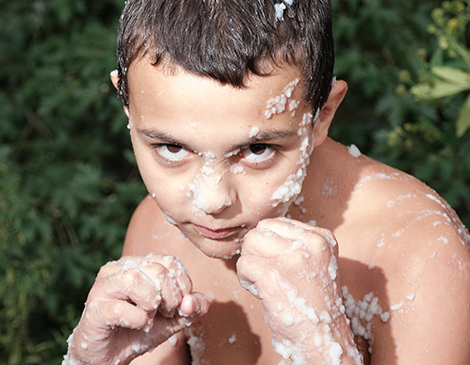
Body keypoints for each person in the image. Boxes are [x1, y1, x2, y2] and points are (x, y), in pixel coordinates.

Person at [62, 0, 470, 364]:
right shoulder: (156, 229)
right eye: (171, 148)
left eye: (257, 150)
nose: (212, 200)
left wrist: (326, 351)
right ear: (127, 104)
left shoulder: (419, 256)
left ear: (322, 115)